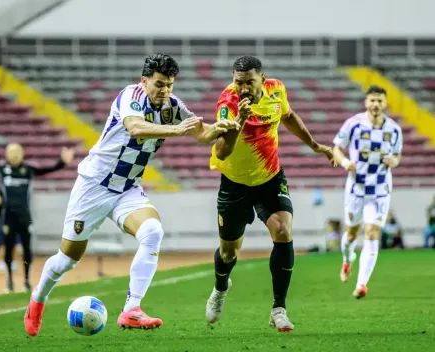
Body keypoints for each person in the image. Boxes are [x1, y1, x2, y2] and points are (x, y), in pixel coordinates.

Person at [23, 53, 240, 337]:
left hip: (127, 187)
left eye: (170, 85)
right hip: (94, 185)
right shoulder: (131, 95)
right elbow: (135, 128)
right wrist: (175, 130)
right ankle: (38, 298)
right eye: (159, 84)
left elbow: (200, 133)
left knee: (152, 231)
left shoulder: (172, 106)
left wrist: (222, 127)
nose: (165, 91)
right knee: (68, 258)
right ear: (144, 81)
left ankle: (131, 310)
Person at [205, 55, 336, 332]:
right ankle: (220, 288)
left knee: (283, 231)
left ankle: (279, 308)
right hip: (234, 183)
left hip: (270, 178)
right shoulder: (227, 103)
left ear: (261, 80)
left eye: (248, 82)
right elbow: (222, 151)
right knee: (229, 253)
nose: (242, 88)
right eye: (238, 82)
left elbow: (287, 116)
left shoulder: (277, 90)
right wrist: (239, 119)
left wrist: (314, 145)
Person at [0, 143, 73, 292]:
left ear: (23, 154)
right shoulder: (1, 170)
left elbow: (48, 169)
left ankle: (27, 281)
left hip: (25, 216)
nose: (15, 154)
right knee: (8, 249)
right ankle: (9, 281)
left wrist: (62, 162)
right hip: (8, 217)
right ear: (6, 154)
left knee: (26, 249)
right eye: (11, 152)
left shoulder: (28, 170)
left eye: (17, 151)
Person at [333, 85, 403, 298]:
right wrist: (345, 162)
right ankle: (347, 260)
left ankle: (362, 284)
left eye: (380, 101)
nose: (375, 104)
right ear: (366, 102)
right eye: (372, 100)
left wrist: (394, 160)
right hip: (356, 188)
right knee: (351, 233)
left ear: (385, 103)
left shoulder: (394, 129)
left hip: (380, 189)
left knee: (372, 233)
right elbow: (336, 147)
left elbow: (398, 156)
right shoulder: (353, 124)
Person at [0, 189, 22, 273]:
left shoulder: (16, 192)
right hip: (4, 220)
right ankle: (1, 262)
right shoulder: (1, 191)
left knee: (15, 242)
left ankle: (12, 262)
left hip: (14, 220)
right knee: (2, 242)